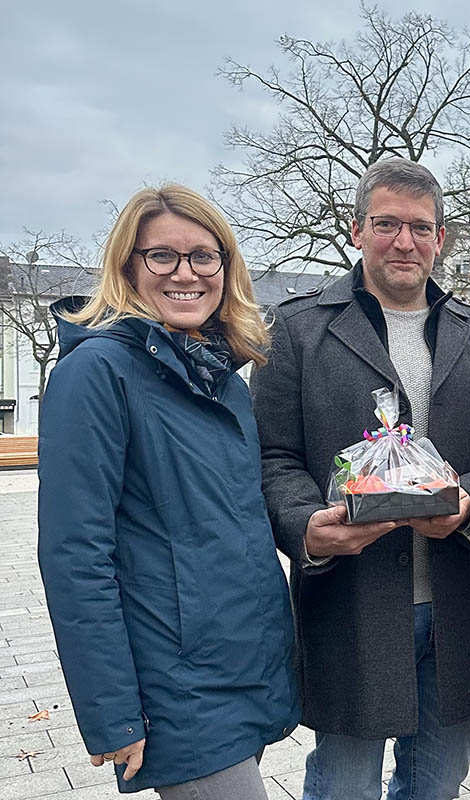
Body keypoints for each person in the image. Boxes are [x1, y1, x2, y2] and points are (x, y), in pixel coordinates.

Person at [251, 157, 470, 800]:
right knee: (344, 780)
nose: (405, 241)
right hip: (351, 595)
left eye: (421, 228)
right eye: (387, 224)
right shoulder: (299, 329)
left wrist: (468, 502)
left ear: (441, 238)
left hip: (453, 594)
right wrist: (305, 529)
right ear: (356, 228)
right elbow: (271, 454)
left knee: (439, 781)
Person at [37, 185, 301, 798]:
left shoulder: (219, 376)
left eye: (204, 257)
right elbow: (75, 554)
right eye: (162, 257)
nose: (186, 274)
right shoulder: (96, 372)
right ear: (129, 266)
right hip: (174, 687)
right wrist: (112, 712)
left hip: (241, 668)